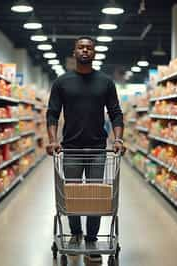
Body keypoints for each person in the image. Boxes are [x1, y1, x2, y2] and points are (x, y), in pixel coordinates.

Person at [46, 36, 124, 263]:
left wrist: (117, 140)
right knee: (70, 195)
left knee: (94, 196)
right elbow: (52, 113)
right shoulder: (62, 82)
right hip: (70, 148)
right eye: (81, 47)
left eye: (89, 48)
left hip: (99, 149)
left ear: (94, 53)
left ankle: (91, 240)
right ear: (74, 52)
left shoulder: (106, 82)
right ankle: (75, 234)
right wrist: (53, 140)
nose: (85, 50)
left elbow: (116, 113)